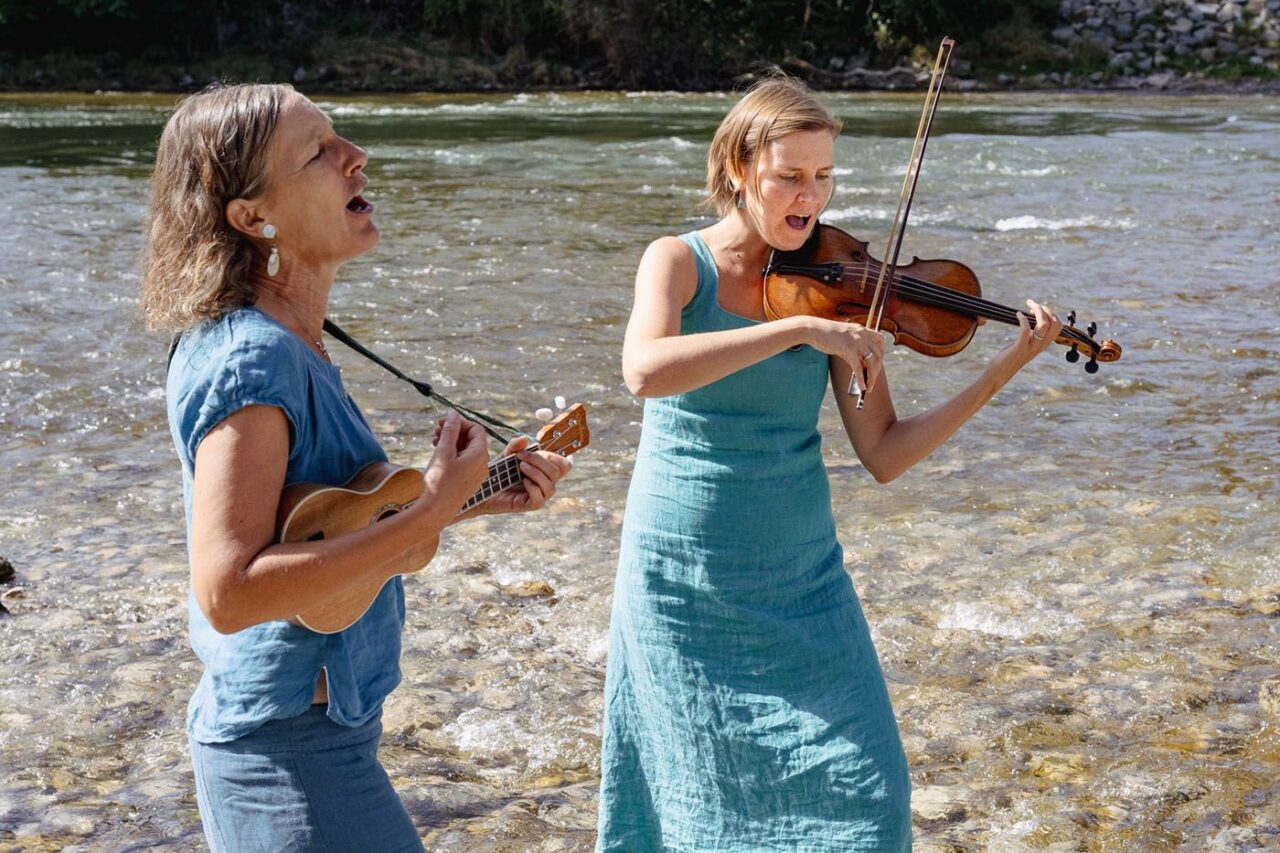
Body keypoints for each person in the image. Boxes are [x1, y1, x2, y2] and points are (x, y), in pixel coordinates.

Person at [596, 76, 1064, 851]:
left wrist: (998, 371)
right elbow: (643, 370)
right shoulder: (677, 262)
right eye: (790, 176)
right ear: (740, 169)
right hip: (683, 580)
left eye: (823, 176)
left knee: (872, 798)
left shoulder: (838, 292)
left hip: (803, 581)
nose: (810, 197)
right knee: (692, 795)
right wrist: (797, 334)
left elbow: (884, 451)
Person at [140, 82, 572, 852]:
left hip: (316, 738)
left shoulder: (287, 339)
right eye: (318, 151)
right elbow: (230, 591)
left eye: (339, 138)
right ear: (253, 217)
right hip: (286, 759)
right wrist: (431, 510)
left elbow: (323, 526)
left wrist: (474, 495)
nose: (356, 156)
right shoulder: (252, 359)